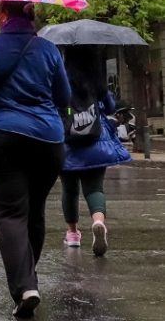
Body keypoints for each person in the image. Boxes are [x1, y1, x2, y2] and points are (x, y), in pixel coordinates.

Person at [0, 1, 71, 319]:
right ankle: (28, 282)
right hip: (48, 140)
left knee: (10, 213)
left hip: (2, 138)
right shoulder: (49, 49)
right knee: (34, 213)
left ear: (3, 15)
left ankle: (25, 286)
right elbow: (64, 97)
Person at [59, 45, 130, 256]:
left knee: (69, 191)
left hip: (67, 146)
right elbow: (109, 107)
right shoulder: (95, 80)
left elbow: (55, 104)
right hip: (95, 144)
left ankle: (72, 234)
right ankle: (98, 222)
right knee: (95, 189)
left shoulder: (61, 78)